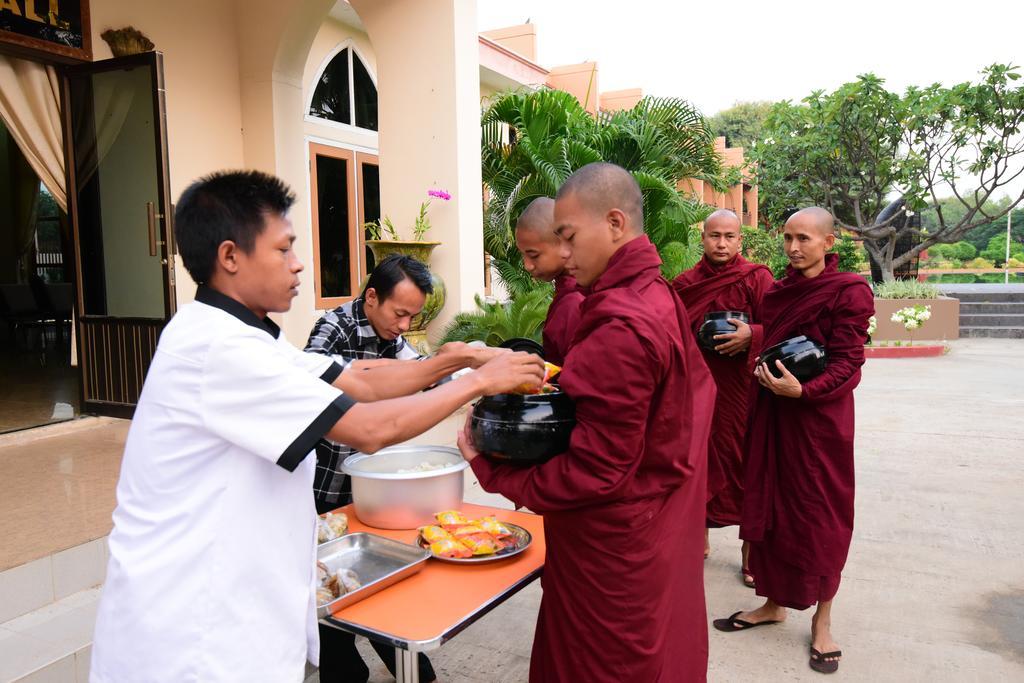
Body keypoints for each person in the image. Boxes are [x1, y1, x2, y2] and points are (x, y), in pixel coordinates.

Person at [89, 170, 544, 683]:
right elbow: (369, 426)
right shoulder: (220, 348)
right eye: (283, 249)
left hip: (230, 610)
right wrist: (476, 383)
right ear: (230, 256)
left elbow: (361, 380)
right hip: (192, 632)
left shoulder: (246, 337)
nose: (299, 263)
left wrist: (448, 361)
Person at [458, 162, 716, 682]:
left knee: (599, 667)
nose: (566, 255)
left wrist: (493, 471)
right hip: (655, 526)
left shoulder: (620, 325)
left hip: (614, 548)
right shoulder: (656, 293)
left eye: (569, 237)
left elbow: (597, 471)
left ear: (615, 223)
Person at [307, 254, 487, 683]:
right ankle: (344, 670)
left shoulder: (394, 339)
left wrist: (466, 369)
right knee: (327, 590)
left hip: (367, 490)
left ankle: (413, 670)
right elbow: (315, 393)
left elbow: (425, 377)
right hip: (319, 485)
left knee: (378, 581)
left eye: (413, 316)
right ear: (372, 296)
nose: (405, 325)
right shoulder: (333, 328)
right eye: (400, 313)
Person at [712, 207, 873, 676]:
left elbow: (848, 361)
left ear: (828, 242)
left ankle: (823, 621)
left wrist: (804, 390)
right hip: (773, 416)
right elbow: (773, 338)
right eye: (787, 238)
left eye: (803, 238)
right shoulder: (779, 293)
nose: (793, 248)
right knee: (771, 508)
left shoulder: (848, 291)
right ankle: (773, 603)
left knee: (820, 517)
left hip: (819, 424)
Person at [672, 209, 773, 584]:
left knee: (748, 470)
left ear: (740, 240)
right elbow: (669, 331)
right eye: (715, 236)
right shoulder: (685, 283)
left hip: (741, 393)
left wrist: (753, 335)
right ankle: (697, 543)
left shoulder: (756, 278)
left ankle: (750, 556)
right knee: (696, 466)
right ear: (703, 238)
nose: (721, 243)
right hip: (697, 392)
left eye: (729, 236)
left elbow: (777, 325)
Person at [514, 196, 584, 365]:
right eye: (522, 254)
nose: (527, 265)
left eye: (533, 255)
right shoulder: (568, 292)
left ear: (564, 243)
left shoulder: (574, 302)